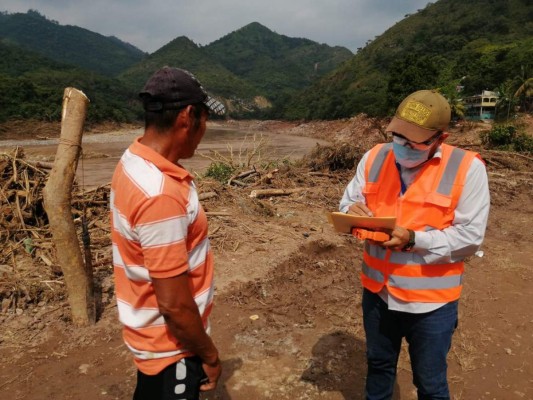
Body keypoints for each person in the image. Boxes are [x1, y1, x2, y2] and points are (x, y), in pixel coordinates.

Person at [339, 90, 490, 399]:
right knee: (379, 368)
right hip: (378, 295)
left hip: (432, 304)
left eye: (414, 141)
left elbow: (470, 238)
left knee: (430, 384)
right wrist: (349, 212)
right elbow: (347, 203)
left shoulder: (467, 169)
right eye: (398, 136)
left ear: (440, 137)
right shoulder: (374, 157)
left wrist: (414, 240)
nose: (403, 146)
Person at [110, 66, 226, 400]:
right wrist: (210, 355)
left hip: (150, 339)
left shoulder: (133, 161)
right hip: (172, 349)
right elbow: (174, 305)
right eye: (205, 119)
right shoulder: (160, 194)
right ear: (188, 117)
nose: (205, 130)